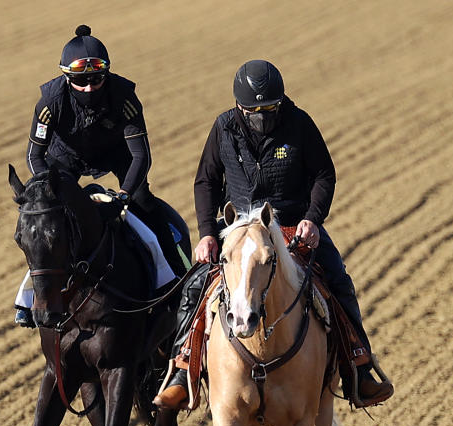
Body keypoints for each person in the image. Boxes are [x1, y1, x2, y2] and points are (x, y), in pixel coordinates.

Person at [153, 59, 393, 408]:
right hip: (237, 231)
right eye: (254, 111)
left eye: (270, 109)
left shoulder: (300, 124)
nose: (263, 117)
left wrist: (313, 218)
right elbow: (206, 181)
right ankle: (181, 369)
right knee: (194, 287)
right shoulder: (223, 129)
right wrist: (207, 233)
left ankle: (359, 365)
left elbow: (324, 174)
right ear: (239, 107)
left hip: (294, 226)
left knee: (339, 281)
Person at [13, 25, 189, 328]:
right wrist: (53, 191)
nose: (90, 87)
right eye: (81, 81)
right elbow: (34, 156)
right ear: (67, 78)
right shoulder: (49, 102)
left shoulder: (125, 97)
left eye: (96, 79)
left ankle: (173, 278)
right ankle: (27, 300)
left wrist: (123, 199)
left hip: (116, 154)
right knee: (45, 226)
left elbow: (140, 156)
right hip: (63, 162)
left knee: (147, 204)